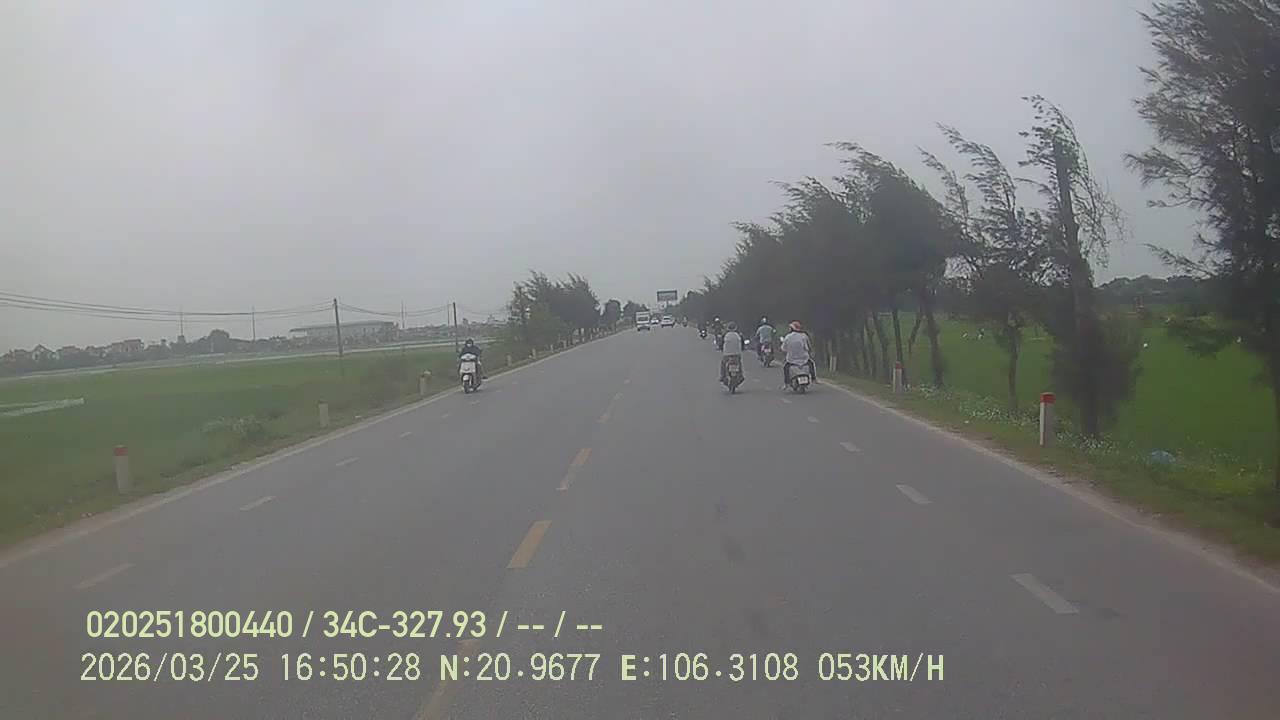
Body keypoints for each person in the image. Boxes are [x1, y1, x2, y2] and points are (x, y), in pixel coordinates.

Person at [781, 321, 816, 387]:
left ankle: (786, 383)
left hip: (791, 360)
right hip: (804, 359)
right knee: (811, 364)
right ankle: (814, 379)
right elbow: (809, 346)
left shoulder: (788, 337)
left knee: (786, 367)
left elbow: (783, 349)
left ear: (791, 329)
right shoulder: (804, 336)